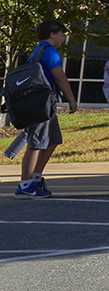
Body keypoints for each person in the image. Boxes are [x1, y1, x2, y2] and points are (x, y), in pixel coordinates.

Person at [14, 19, 79, 199]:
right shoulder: (50, 51)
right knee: (36, 143)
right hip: (41, 104)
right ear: (52, 34)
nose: (62, 38)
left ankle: (36, 178)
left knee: (52, 139)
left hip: (43, 103)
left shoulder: (37, 50)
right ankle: (25, 185)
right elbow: (60, 77)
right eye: (61, 34)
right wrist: (71, 100)